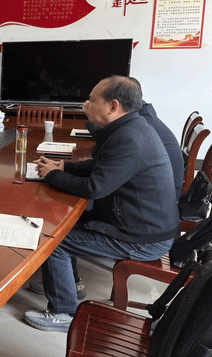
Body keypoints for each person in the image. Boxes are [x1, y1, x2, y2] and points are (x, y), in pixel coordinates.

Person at [24, 76, 179, 332]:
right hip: (139, 222)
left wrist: (53, 175)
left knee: (54, 240)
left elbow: (95, 187)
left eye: (92, 99)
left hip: (144, 238)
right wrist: (64, 167)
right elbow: (100, 166)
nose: (86, 104)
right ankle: (71, 284)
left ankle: (63, 311)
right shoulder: (130, 127)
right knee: (62, 223)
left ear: (112, 106)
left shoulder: (129, 139)